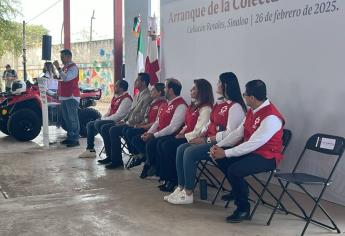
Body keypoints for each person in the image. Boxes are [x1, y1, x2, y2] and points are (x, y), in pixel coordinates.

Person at [210, 80, 285, 223]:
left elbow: (253, 144)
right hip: (253, 151)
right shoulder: (253, 110)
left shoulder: (271, 117)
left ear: (252, 98)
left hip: (267, 157)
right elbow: (239, 133)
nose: (243, 96)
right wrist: (219, 146)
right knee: (220, 158)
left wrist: (225, 152)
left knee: (234, 170)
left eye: (245, 94)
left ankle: (243, 209)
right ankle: (239, 189)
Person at [165, 72, 246, 204]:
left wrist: (207, 140)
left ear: (226, 85)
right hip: (210, 140)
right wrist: (201, 135)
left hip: (224, 144)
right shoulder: (219, 104)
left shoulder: (235, 107)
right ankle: (180, 187)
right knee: (181, 148)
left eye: (219, 82)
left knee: (189, 153)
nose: (217, 84)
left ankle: (188, 192)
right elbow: (209, 124)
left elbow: (230, 134)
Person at [156, 79, 214, 192]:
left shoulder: (206, 108)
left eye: (194, 89)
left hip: (195, 139)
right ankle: (166, 178)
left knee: (168, 145)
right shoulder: (193, 106)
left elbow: (200, 130)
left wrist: (184, 136)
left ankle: (175, 180)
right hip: (187, 136)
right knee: (161, 142)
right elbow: (187, 124)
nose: (190, 90)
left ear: (201, 91)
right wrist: (181, 132)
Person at [131, 78, 187, 178]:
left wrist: (154, 135)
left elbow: (173, 127)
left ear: (170, 90)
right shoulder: (165, 104)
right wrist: (149, 132)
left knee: (153, 143)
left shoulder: (181, 105)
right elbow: (157, 122)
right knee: (137, 139)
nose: (163, 89)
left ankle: (155, 167)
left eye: (165, 87)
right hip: (160, 133)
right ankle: (152, 163)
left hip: (171, 135)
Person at [98, 73, 152, 169]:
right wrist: (124, 120)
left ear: (143, 82)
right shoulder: (137, 95)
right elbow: (130, 112)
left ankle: (117, 160)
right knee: (105, 127)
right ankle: (110, 156)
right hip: (129, 122)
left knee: (113, 130)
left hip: (137, 124)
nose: (135, 82)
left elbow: (141, 116)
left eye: (137, 80)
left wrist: (127, 123)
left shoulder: (147, 96)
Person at [78, 79, 132, 158]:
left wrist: (103, 120)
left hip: (118, 122)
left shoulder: (126, 99)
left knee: (99, 124)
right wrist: (102, 118)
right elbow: (109, 112)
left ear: (121, 88)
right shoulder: (115, 97)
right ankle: (90, 150)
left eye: (116, 86)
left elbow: (119, 116)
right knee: (90, 124)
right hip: (110, 120)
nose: (114, 87)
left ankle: (109, 148)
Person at [122, 83, 167, 168]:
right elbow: (146, 118)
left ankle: (144, 156)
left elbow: (156, 122)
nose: (151, 91)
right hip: (147, 125)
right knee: (126, 130)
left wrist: (143, 127)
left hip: (152, 129)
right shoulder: (152, 103)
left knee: (132, 134)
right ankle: (137, 154)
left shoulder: (162, 104)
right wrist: (140, 124)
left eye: (153, 90)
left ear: (159, 93)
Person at [53, 49, 81, 147]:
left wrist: (58, 68)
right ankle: (70, 137)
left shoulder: (73, 67)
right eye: (61, 57)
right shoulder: (65, 67)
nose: (61, 59)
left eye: (63, 57)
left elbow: (67, 78)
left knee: (72, 119)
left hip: (71, 96)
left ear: (69, 57)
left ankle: (75, 139)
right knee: (67, 119)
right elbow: (62, 79)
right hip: (64, 97)